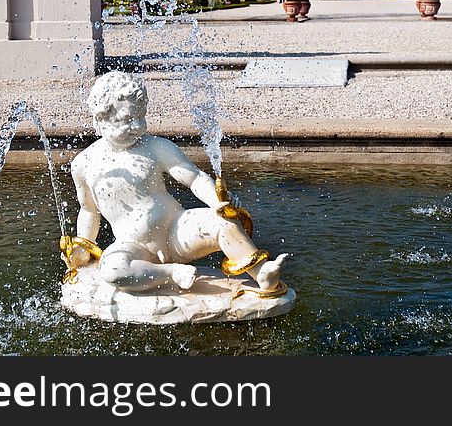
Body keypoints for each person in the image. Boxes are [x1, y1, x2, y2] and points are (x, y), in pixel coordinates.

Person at [64, 71, 288, 294]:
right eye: (127, 120)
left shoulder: (156, 147)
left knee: (224, 224)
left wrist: (217, 202)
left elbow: (194, 178)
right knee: (113, 271)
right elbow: (89, 211)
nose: (138, 127)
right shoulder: (84, 164)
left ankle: (262, 273)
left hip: (178, 230)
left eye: (141, 117)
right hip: (135, 247)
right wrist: (83, 247)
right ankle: (171, 273)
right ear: (100, 120)